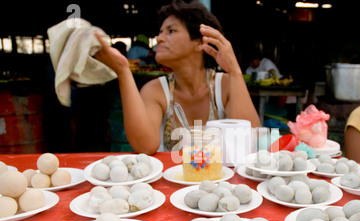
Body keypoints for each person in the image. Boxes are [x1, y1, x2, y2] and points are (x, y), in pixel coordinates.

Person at [94, 0, 260, 154]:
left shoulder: (224, 85)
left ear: (199, 42)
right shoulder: (155, 90)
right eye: (160, 32)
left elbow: (249, 142)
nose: (159, 38)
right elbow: (144, 146)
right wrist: (123, 72)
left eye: (171, 31)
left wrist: (235, 72)